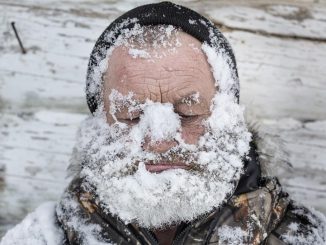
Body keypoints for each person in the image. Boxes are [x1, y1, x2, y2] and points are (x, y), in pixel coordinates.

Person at [2, 2, 326, 245]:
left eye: (189, 113)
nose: (159, 140)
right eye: (131, 116)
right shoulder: (36, 238)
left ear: (230, 117)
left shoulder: (309, 236)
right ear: (99, 125)